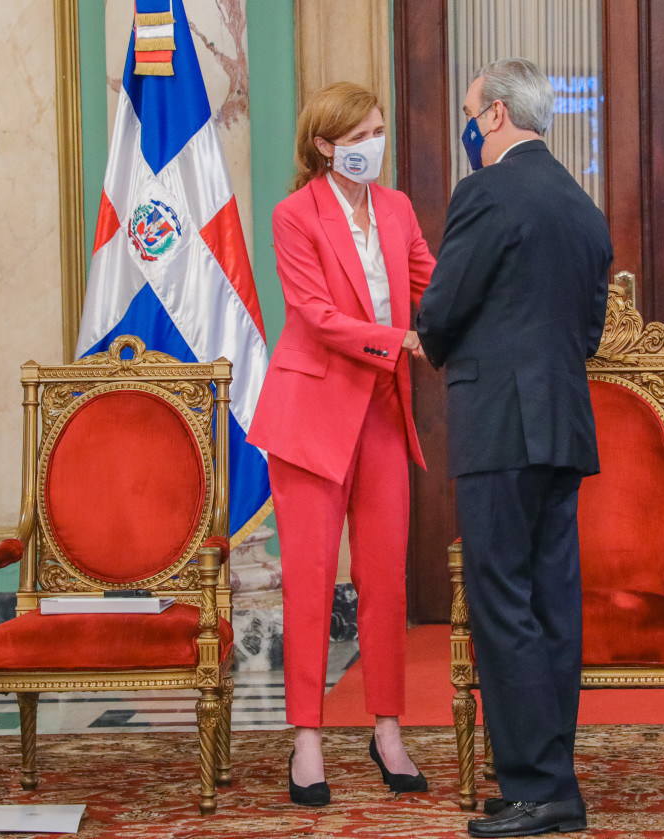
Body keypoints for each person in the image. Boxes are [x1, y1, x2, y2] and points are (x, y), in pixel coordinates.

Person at [416, 58, 612, 838]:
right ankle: (549, 778)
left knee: (501, 604)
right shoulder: (581, 204)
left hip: (501, 424)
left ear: (495, 115)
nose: (468, 126)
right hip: (563, 427)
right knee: (551, 605)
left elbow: (441, 307)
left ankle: (540, 789)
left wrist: (434, 337)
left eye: (470, 113)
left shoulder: (487, 191)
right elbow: (588, 332)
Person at [248, 81, 435, 807]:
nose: (372, 147)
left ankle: (387, 730)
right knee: (311, 578)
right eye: (358, 138)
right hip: (312, 415)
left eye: (377, 132)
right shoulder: (294, 214)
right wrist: (401, 340)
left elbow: (432, 284)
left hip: (383, 410)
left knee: (386, 578)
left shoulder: (398, 208)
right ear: (325, 146)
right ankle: (307, 739)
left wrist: (483, 309)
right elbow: (316, 315)